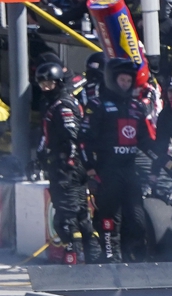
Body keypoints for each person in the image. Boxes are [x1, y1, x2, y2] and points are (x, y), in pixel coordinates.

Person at [80, 57, 156, 261]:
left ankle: (137, 263)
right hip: (106, 172)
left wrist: (166, 162)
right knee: (109, 221)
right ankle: (110, 261)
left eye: (128, 80)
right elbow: (83, 142)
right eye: (121, 80)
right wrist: (90, 172)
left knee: (137, 221)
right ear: (112, 79)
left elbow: (147, 142)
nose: (125, 84)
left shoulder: (137, 107)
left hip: (130, 172)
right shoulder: (97, 106)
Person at [36, 62, 100, 264]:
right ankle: (90, 260)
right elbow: (47, 139)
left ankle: (77, 259)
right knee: (78, 217)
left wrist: (69, 163)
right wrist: (40, 159)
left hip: (69, 170)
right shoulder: (53, 104)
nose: (45, 88)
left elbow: (72, 137)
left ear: (59, 83)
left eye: (49, 84)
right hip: (60, 168)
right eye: (42, 84)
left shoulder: (63, 105)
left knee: (67, 220)